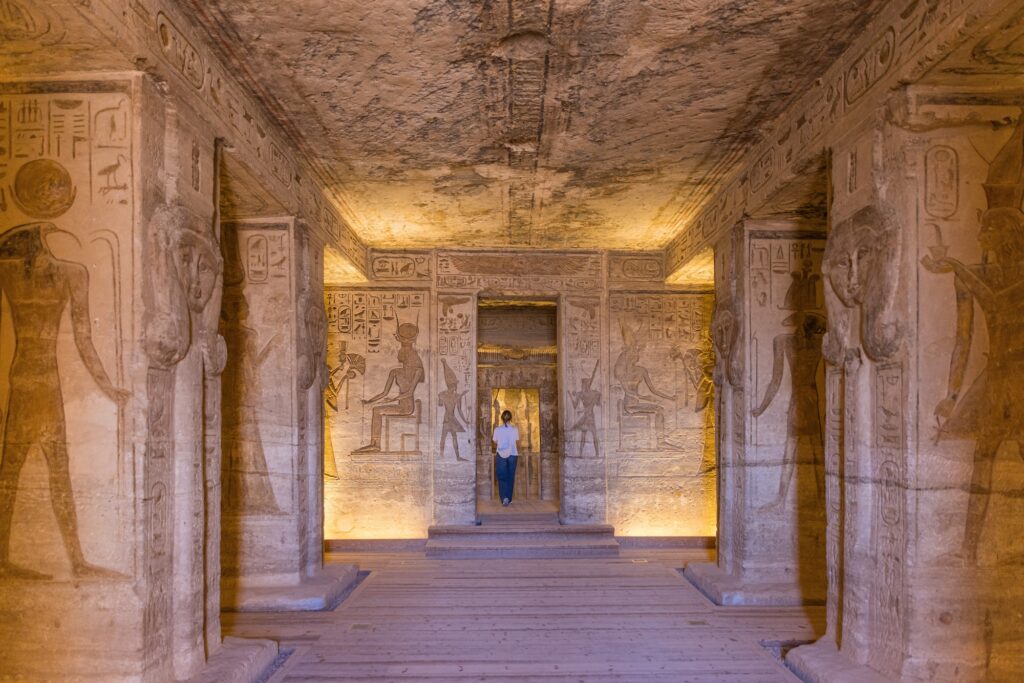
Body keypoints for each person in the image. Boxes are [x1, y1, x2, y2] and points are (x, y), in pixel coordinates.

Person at [492, 410, 520, 507]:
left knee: (502, 477)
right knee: (510, 476)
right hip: (513, 454)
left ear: (501, 418)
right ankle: (509, 498)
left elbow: (495, 441)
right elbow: (517, 441)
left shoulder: (497, 429)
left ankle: (504, 498)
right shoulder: (515, 429)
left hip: (500, 454)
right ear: (510, 418)